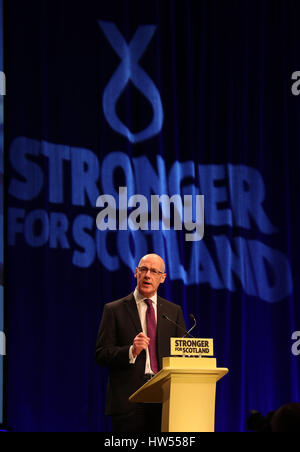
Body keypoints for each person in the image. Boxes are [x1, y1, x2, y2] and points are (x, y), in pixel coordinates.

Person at [95, 253, 186, 433]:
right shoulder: (114, 310)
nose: (147, 275)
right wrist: (131, 351)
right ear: (136, 273)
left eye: (154, 271)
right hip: (128, 402)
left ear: (162, 278)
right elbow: (101, 353)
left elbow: (181, 353)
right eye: (143, 269)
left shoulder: (173, 312)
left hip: (164, 400)